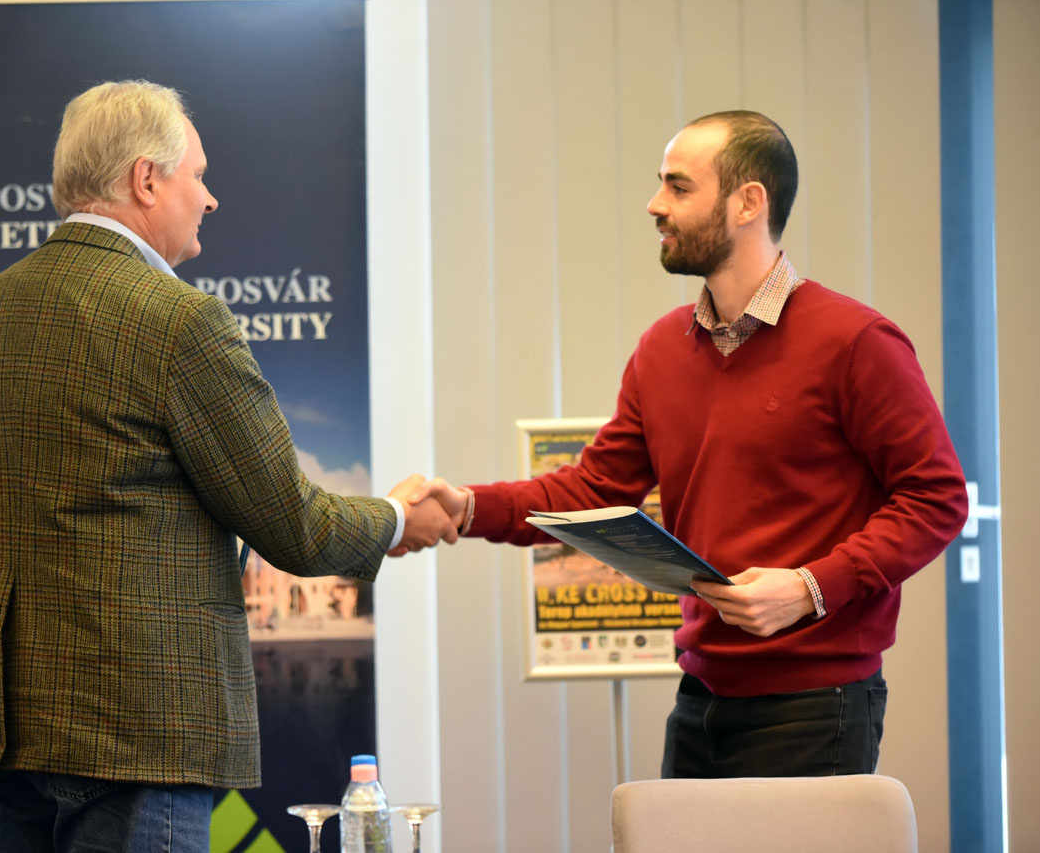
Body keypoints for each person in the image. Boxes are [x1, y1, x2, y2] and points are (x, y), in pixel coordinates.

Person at [0, 80, 453, 852]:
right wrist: (397, 518)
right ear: (146, 179)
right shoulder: (180, 320)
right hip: (140, 728)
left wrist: (31, 612)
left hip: (8, 734)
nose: (209, 199)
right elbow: (295, 524)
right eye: (199, 175)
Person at [408, 110, 968, 778]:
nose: (655, 204)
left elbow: (937, 498)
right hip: (699, 701)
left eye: (677, 186)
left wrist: (809, 588)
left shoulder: (855, 342)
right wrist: (467, 507)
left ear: (747, 203)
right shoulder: (661, 349)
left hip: (817, 707)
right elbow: (593, 490)